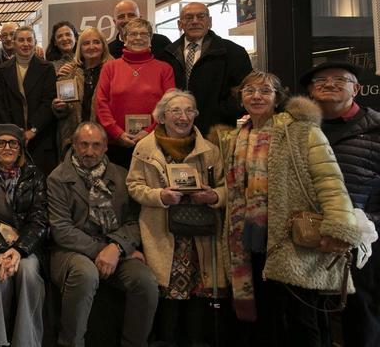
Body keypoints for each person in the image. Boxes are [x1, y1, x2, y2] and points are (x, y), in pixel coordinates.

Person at [214, 71, 360, 346]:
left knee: (302, 322)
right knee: (265, 321)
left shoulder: (301, 131)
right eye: (250, 91)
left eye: (265, 91)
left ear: (278, 97)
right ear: (240, 97)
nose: (257, 96)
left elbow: (329, 181)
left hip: (290, 241)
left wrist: (339, 229)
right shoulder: (234, 138)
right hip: (247, 245)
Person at [126, 90, 224, 346]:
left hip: (200, 236)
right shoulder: (144, 148)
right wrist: (160, 196)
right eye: (176, 111)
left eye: (189, 110)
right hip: (163, 232)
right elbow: (134, 186)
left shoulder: (210, 150)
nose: (183, 117)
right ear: (162, 116)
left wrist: (213, 196)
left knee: (197, 296)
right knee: (166, 296)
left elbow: (228, 188)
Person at [47, 122, 157, 347]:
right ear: (74, 145)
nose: (89, 151)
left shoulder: (121, 175)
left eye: (96, 145)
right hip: (71, 251)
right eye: (84, 145)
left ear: (106, 146)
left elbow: (134, 221)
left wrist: (116, 248)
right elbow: (61, 230)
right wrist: (102, 250)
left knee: (145, 281)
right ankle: (71, 343)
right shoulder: (57, 178)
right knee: (86, 274)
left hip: (114, 247)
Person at [301, 62, 380, 347]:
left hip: (362, 243)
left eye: (340, 80)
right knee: (312, 319)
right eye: (320, 80)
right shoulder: (301, 131)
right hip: (310, 239)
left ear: (356, 88)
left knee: (362, 317)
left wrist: (366, 222)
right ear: (310, 91)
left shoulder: (375, 129)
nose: (329, 84)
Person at [0, 124, 48, 347]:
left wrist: (19, 249)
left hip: (26, 247)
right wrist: (1, 250)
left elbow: (40, 219)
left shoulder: (36, 177)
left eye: (13, 143)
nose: (7, 147)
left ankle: (27, 342)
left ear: (21, 148)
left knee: (29, 272)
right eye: (1, 143)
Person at [156, 2, 252, 133]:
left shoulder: (233, 53)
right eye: (188, 17)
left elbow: (245, 92)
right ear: (180, 24)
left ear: (210, 21)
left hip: (216, 132)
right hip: (175, 132)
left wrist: (217, 114)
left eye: (201, 16)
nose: (195, 21)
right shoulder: (166, 55)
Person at [95, 18, 175, 168]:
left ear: (150, 40)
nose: (138, 38)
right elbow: (101, 103)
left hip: (154, 142)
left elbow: (169, 106)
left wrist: (149, 132)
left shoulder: (164, 69)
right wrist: (117, 133)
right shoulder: (110, 68)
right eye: (133, 34)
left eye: (144, 34)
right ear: (124, 39)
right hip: (116, 143)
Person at [0, 26, 58, 176]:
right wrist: (14, 132)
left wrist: (33, 130)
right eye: (21, 40)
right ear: (14, 42)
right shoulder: (2, 70)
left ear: (35, 42)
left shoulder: (47, 68)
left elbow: (48, 101)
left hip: (41, 137)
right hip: (12, 139)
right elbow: (0, 103)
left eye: (29, 40)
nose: (25, 44)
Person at [52, 27, 113, 158]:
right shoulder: (69, 71)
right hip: (73, 139)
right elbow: (63, 104)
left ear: (103, 46)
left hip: (106, 139)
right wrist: (60, 107)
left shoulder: (114, 70)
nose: (91, 47)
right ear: (80, 47)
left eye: (96, 42)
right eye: (86, 43)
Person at [106, 0, 172, 58]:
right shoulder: (108, 51)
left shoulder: (162, 42)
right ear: (114, 22)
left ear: (140, 18)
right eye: (121, 17)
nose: (126, 20)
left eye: (131, 15)